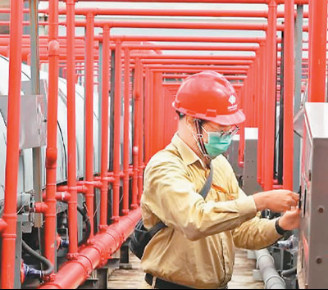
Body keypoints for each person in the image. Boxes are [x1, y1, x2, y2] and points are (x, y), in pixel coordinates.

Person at [139, 71, 300, 289]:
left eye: (230, 130)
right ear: (192, 122)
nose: (226, 137)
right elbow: (194, 221)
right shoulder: (165, 167)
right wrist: (259, 201)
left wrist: (280, 225)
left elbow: (242, 231)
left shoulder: (220, 165)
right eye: (220, 130)